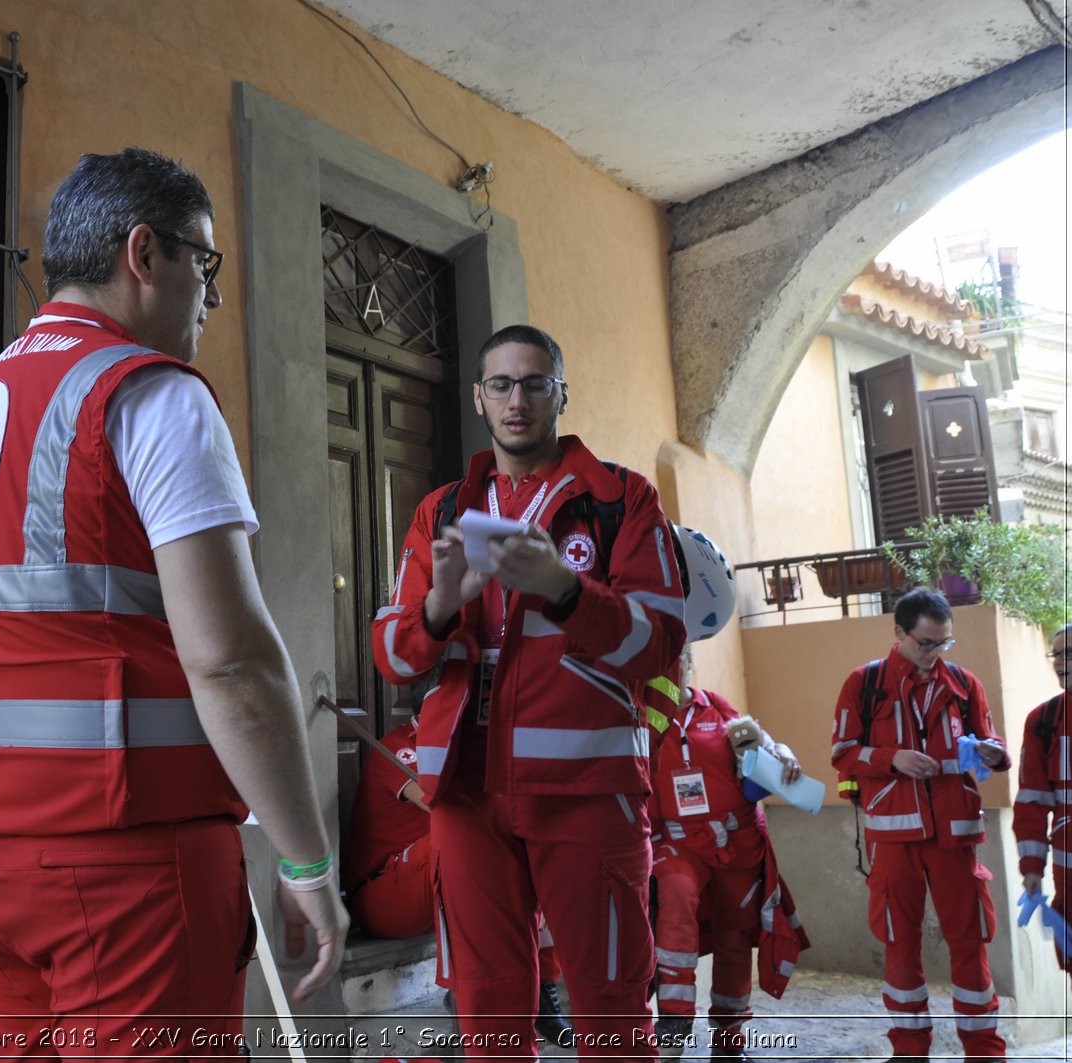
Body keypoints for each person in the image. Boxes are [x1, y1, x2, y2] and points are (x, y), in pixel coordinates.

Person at [0, 147, 348, 1057]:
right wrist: (307, 858)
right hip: (122, 867)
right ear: (145, 255)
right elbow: (230, 660)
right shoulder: (149, 395)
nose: (212, 297)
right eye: (205, 262)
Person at [371, 324, 687, 1060]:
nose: (519, 400)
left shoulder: (622, 500)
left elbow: (660, 644)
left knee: (611, 1006)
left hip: (586, 792)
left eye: (535, 383)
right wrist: (437, 609)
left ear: (561, 394)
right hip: (466, 793)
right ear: (480, 397)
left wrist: (565, 590)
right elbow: (390, 653)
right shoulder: (442, 510)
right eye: (503, 385)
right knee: (487, 1010)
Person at [830, 587, 1010, 1063]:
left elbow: (989, 739)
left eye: (943, 644)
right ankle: (910, 1051)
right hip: (894, 836)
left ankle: (985, 1053)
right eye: (926, 643)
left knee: (970, 942)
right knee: (899, 944)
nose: (934, 655)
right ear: (899, 634)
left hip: (955, 836)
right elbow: (841, 753)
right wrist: (894, 758)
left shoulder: (964, 683)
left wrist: (994, 752)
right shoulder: (864, 683)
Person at [343, 700, 575, 1044]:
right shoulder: (397, 748)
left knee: (539, 847)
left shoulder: (468, 752)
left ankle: (541, 986)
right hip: (383, 895)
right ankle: (465, 989)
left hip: (433, 887)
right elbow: (443, 803)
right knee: (456, 836)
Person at [650, 650, 808, 1061]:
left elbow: (761, 744)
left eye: (680, 656)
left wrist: (783, 753)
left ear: (687, 661)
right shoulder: (645, 715)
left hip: (737, 842)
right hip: (680, 843)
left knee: (735, 938)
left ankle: (729, 1046)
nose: (674, 664)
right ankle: (675, 1017)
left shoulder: (717, 707)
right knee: (676, 902)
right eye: (667, 657)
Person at [1014, 623, 1072, 1059]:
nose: (1062, 664)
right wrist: (1032, 871)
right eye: (1057, 655)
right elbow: (1031, 802)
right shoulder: (1044, 721)